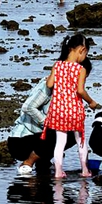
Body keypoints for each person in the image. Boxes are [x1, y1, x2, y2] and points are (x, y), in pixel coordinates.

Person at [10, 59, 92, 175]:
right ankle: (27, 163)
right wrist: (48, 123)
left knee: (72, 130)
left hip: (38, 138)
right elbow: (28, 107)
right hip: (21, 141)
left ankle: (43, 162)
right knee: (62, 131)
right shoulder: (49, 85)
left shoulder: (68, 91)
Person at [41, 34, 98, 179]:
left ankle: (59, 171)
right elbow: (80, 90)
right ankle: (85, 170)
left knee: (60, 142)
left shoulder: (57, 65)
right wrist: (91, 102)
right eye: (86, 53)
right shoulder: (80, 69)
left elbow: (49, 84)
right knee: (80, 140)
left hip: (58, 109)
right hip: (74, 110)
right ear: (82, 50)